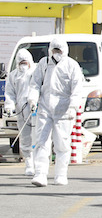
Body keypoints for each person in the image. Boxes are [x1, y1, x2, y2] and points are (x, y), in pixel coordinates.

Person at [26, 37, 84, 187]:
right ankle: (40, 173)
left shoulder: (72, 66)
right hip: (45, 108)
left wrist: (73, 107)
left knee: (62, 144)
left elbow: (77, 90)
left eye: (59, 51)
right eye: (54, 50)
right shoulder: (44, 64)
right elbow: (35, 84)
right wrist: (32, 99)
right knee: (41, 141)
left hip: (64, 111)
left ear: (65, 51)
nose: (56, 53)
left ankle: (60, 174)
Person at [4, 49, 37, 176]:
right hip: (21, 110)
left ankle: (38, 163)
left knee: (38, 136)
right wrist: (9, 105)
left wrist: (36, 102)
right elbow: (10, 92)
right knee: (25, 137)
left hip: (35, 109)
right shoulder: (13, 75)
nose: (23, 65)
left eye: (25, 62)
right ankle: (29, 163)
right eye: (21, 63)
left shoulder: (35, 73)